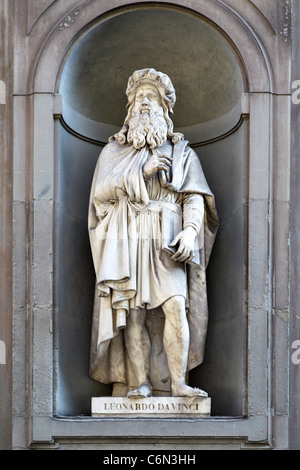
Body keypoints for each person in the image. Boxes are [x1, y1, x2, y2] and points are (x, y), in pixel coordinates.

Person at [88, 68, 218, 398]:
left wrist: (190, 232)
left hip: (168, 236)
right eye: (138, 98)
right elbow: (100, 194)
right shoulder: (113, 152)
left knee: (176, 305)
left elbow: (194, 197)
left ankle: (178, 383)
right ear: (130, 110)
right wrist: (140, 172)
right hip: (128, 235)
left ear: (164, 108)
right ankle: (140, 382)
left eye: (152, 97)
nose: (144, 103)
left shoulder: (183, 153)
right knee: (133, 313)